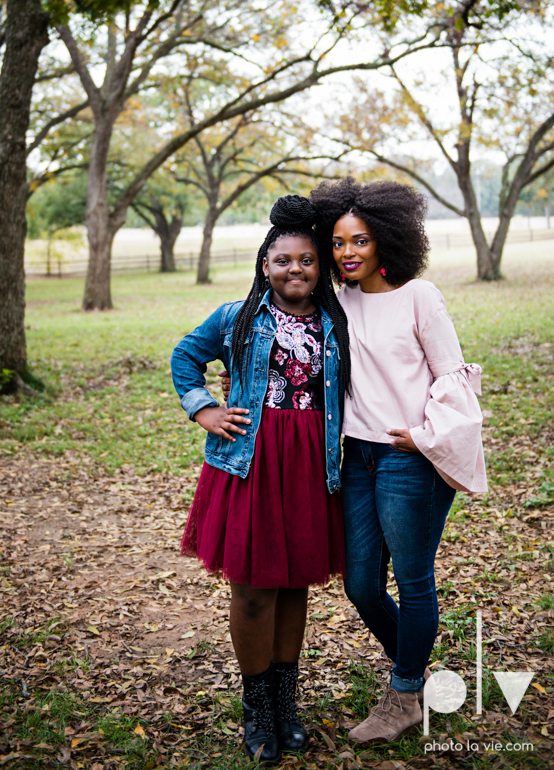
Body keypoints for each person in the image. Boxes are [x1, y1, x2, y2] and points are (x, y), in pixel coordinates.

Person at [170, 195, 351, 765]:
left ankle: (285, 703)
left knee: (295, 581)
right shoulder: (237, 318)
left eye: (306, 260)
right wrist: (204, 409)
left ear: (319, 267)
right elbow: (184, 356)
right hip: (249, 465)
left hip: (309, 467)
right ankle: (256, 707)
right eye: (282, 261)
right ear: (263, 266)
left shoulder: (335, 322)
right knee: (252, 589)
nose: (294, 270)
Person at [309, 178, 487, 746]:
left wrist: (424, 435)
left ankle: (404, 691)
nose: (348, 253)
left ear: (386, 239)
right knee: (361, 584)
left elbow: (452, 376)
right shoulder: (337, 302)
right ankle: (415, 670)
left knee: (413, 582)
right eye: (337, 244)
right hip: (356, 457)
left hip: (410, 456)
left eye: (359, 240)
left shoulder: (420, 296)